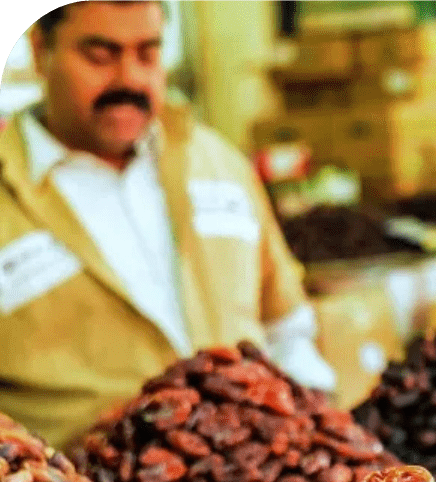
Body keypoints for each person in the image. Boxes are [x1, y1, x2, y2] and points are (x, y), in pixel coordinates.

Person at [0, 1, 336, 449]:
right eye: (100, 55)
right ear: (41, 50)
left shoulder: (216, 163)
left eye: (148, 53)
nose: (130, 79)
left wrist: (319, 436)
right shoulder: (9, 195)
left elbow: (287, 327)